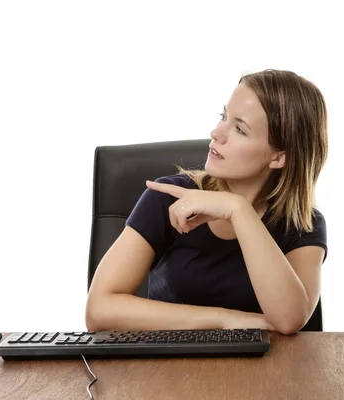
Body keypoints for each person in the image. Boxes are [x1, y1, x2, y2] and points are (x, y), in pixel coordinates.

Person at [85, 69, 328, 335]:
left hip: (264, 373)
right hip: (164, 370)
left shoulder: (304, 224)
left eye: (239, 129)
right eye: (224, 117)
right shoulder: (168, 197)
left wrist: (238, 209)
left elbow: (289, 319)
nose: (216, 133)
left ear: (278, 157)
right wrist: (224, 320)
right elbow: (99, 310)